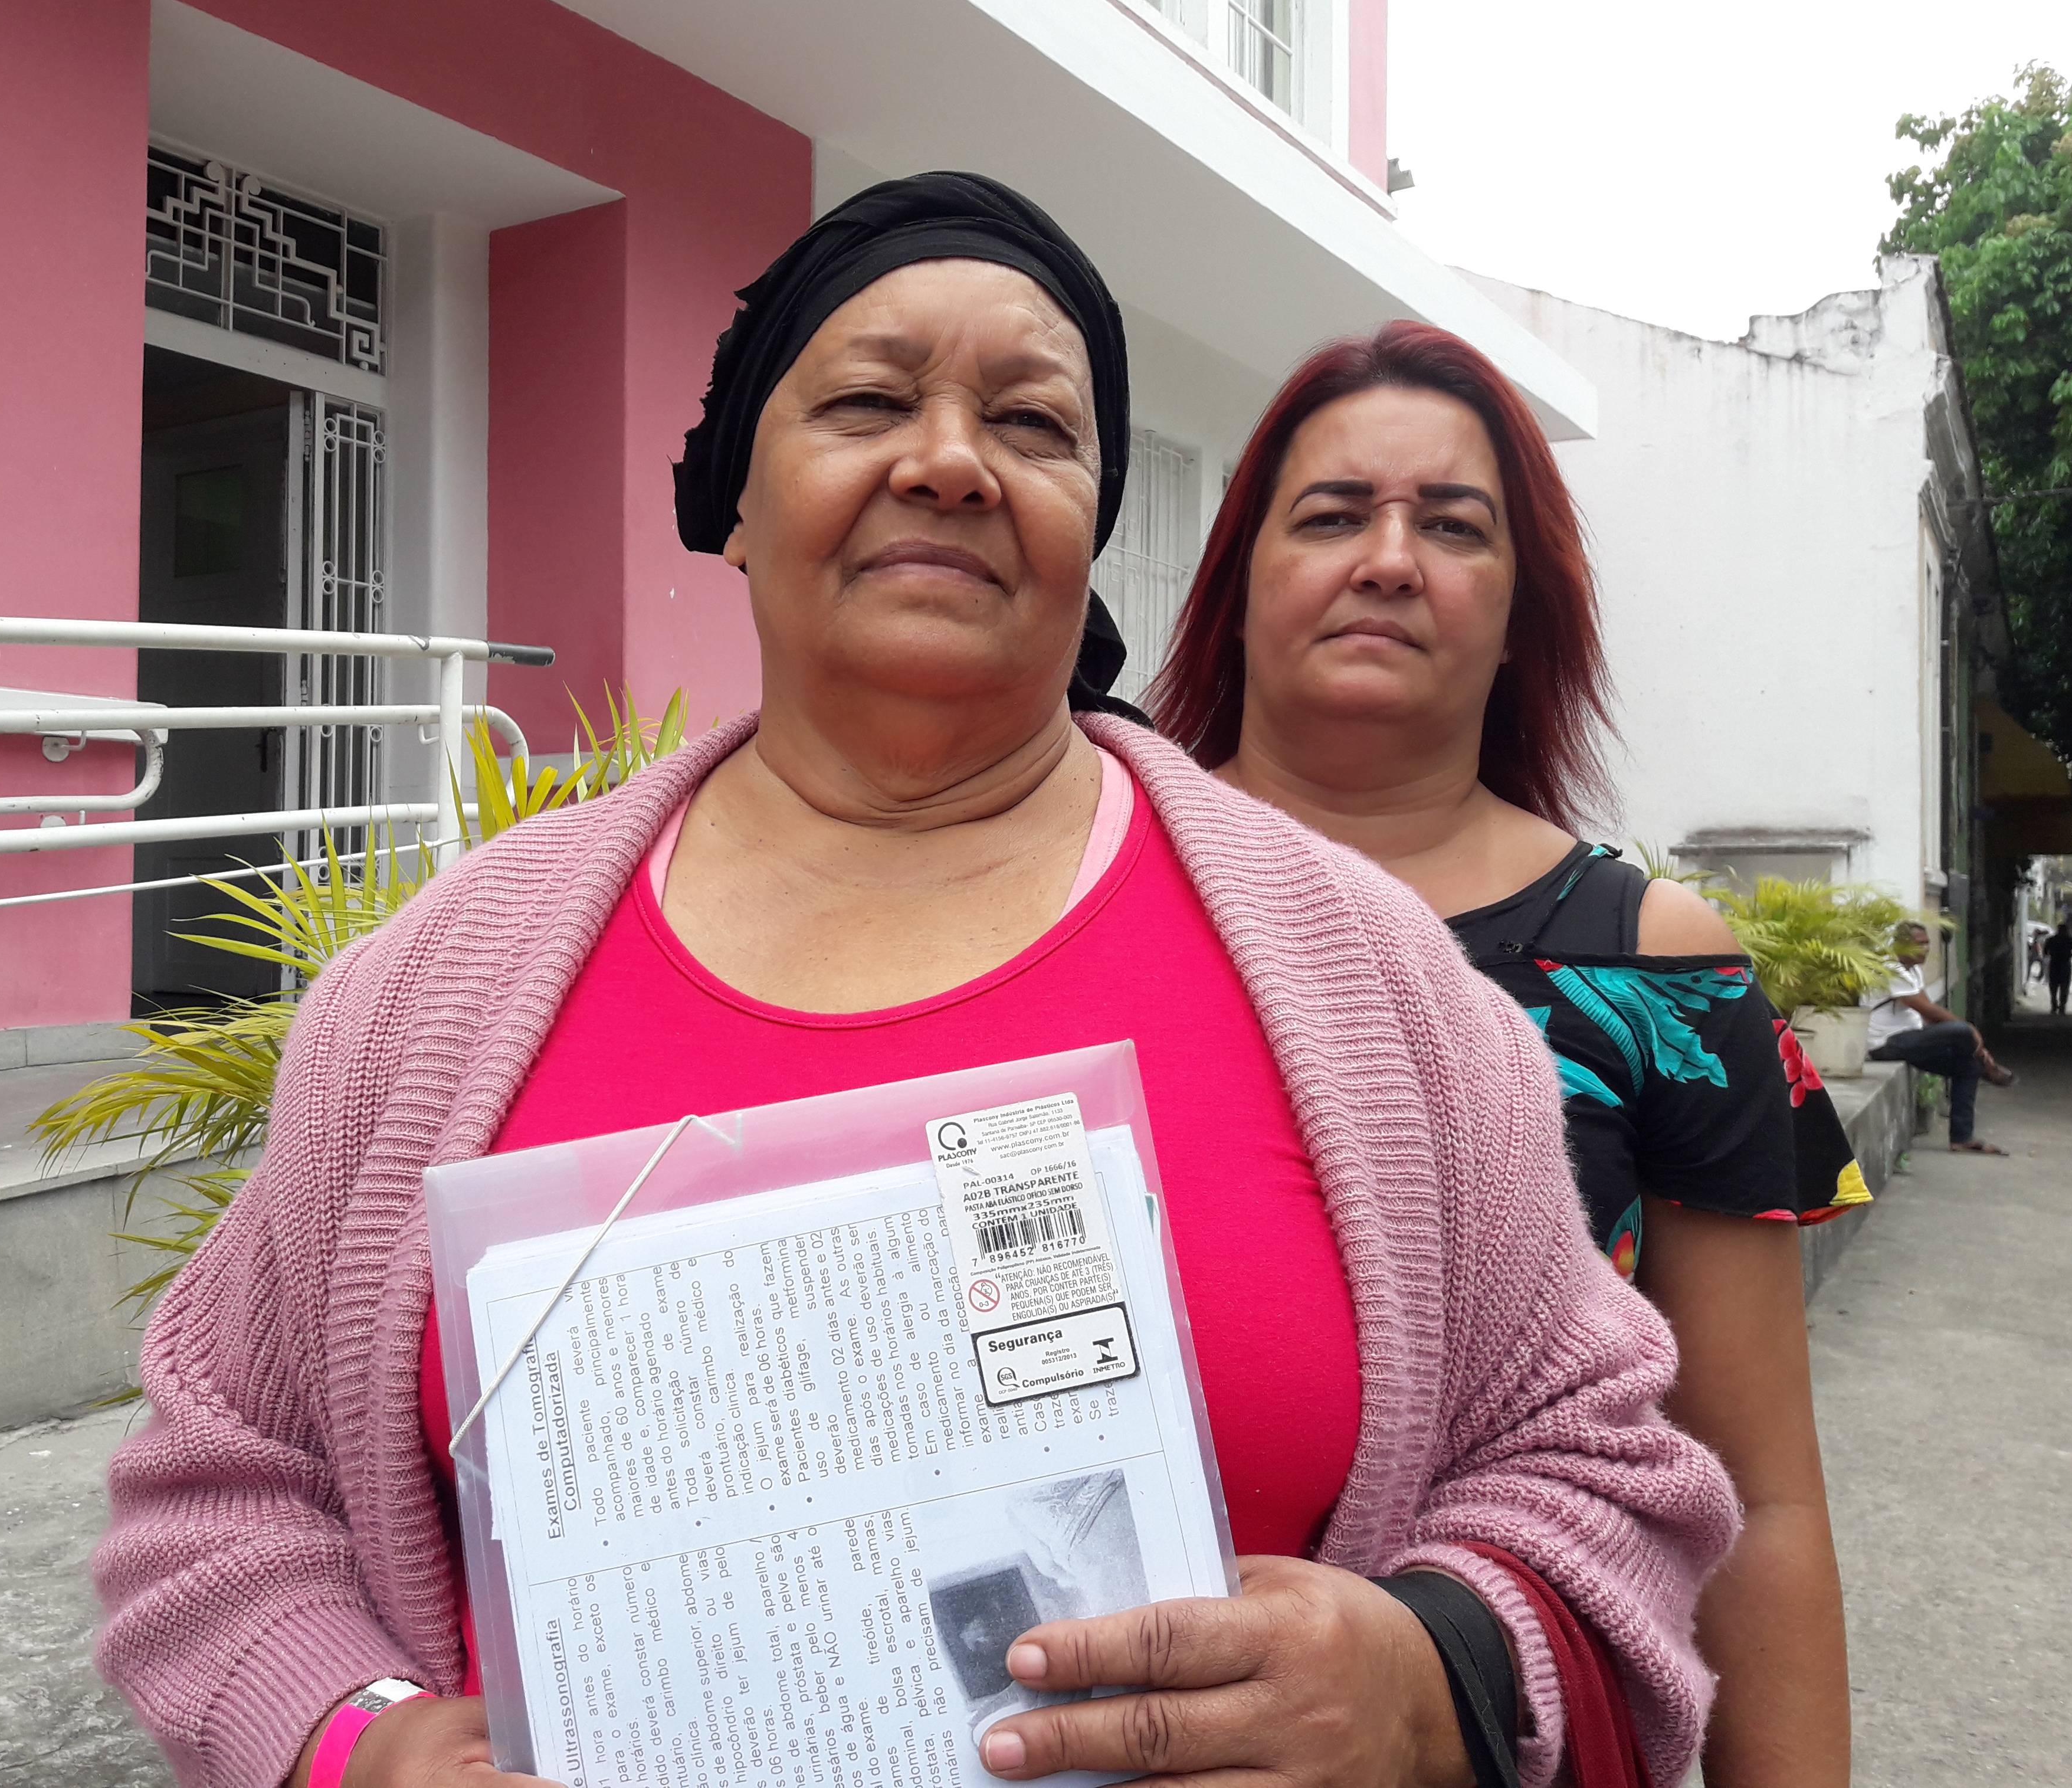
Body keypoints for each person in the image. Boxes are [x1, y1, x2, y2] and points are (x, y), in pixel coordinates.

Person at [93, 178, 1737, 1788]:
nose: (950, 462)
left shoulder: (1370, 987)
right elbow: (221, 1494)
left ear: (1092, 524)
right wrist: (356, 1744)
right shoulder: (435, 995)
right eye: (869, 400)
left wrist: (1432, 1671)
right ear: (737, 499)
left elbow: (1601, 1471)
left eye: (1032, 426)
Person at [1146, 320, 1862, 1788]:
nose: (1388, 559)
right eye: (1331, 514)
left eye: (1451, 526)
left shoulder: (1656, 970)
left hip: (1504, 1733)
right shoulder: (1081, 879)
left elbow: (1758, 1497)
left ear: (1523, 609)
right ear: (1236, 586)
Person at [1868, 921, 2017, 1148]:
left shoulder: (1913, 970)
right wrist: (1970, 1031)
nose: (1926, 949)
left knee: (1968, 1067)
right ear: (1901, 946)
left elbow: (1930, 1013)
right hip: (1886, 1044)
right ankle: (1990, 1066)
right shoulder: (1891, 970)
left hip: (1910, 1039)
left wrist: (1967, 1041)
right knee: (1961, 1030)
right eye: (1920, 944)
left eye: (1928, 943)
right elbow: (1928, 1010)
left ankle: (1962, 1139)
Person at [2047, 919, 2072, 1014]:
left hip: (2054, 964)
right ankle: (2062, 1007)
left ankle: (2054, 1005)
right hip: (2065, 965)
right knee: (2065, 987)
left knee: (2053, 987)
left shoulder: (2052, 940)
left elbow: (2045, 951)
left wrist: (2052, 954)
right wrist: (2069, 956)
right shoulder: (2070, 940)